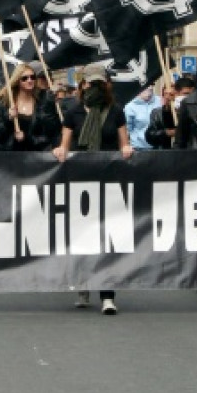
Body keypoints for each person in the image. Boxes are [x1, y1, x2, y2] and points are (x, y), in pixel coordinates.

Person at [54, 64, 132, 314]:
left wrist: (127, 150)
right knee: (83, 236)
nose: (94, 87)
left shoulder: (116, 111)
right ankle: (84, 283)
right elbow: (65, 144)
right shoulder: (73, 111)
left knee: (108, 237)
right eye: (90, 83)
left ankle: (108, 294)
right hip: (81, 181)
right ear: (82, 85)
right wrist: (60, 151)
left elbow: (124, 143)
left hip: (109, 179)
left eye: (100, 82)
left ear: (106, 85)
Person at [0, 63, 61, 154]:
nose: (29, 80)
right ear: (17, 81)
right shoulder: (5, 103)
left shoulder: (43, 100)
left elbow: (54, 129)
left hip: (37, 156)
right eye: (24, 78)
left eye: (32, 77)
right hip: (12, 157)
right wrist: (8, 120)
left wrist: (57, 147)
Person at [123, 82, 162, 151]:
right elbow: (127, 130)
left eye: (151, 86)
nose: (150, 88)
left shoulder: (160, 101)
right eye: (147, 87)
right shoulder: (130, 106)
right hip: (138, 148)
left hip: (159, 147)